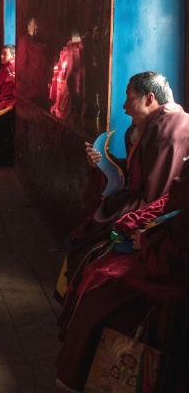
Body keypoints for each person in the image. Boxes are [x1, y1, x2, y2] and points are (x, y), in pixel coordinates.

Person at [55, 71, 189, 308]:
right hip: (140, 203)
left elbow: (154, 195)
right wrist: (103, 163)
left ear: (149, 99)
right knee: (83, 236)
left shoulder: (167, 130)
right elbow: (135, 174)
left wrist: (121, 217)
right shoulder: (145, 126)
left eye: (130, 97)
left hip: (159, 217)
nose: (124, 105)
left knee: (88, 245)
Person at [56, 158, 189, 392]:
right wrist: (136, 220)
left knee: (102, 294)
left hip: (175, 272)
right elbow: (171, 201)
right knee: (93, 261)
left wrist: (149, 242)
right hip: (159, 242)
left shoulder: (169, 129)